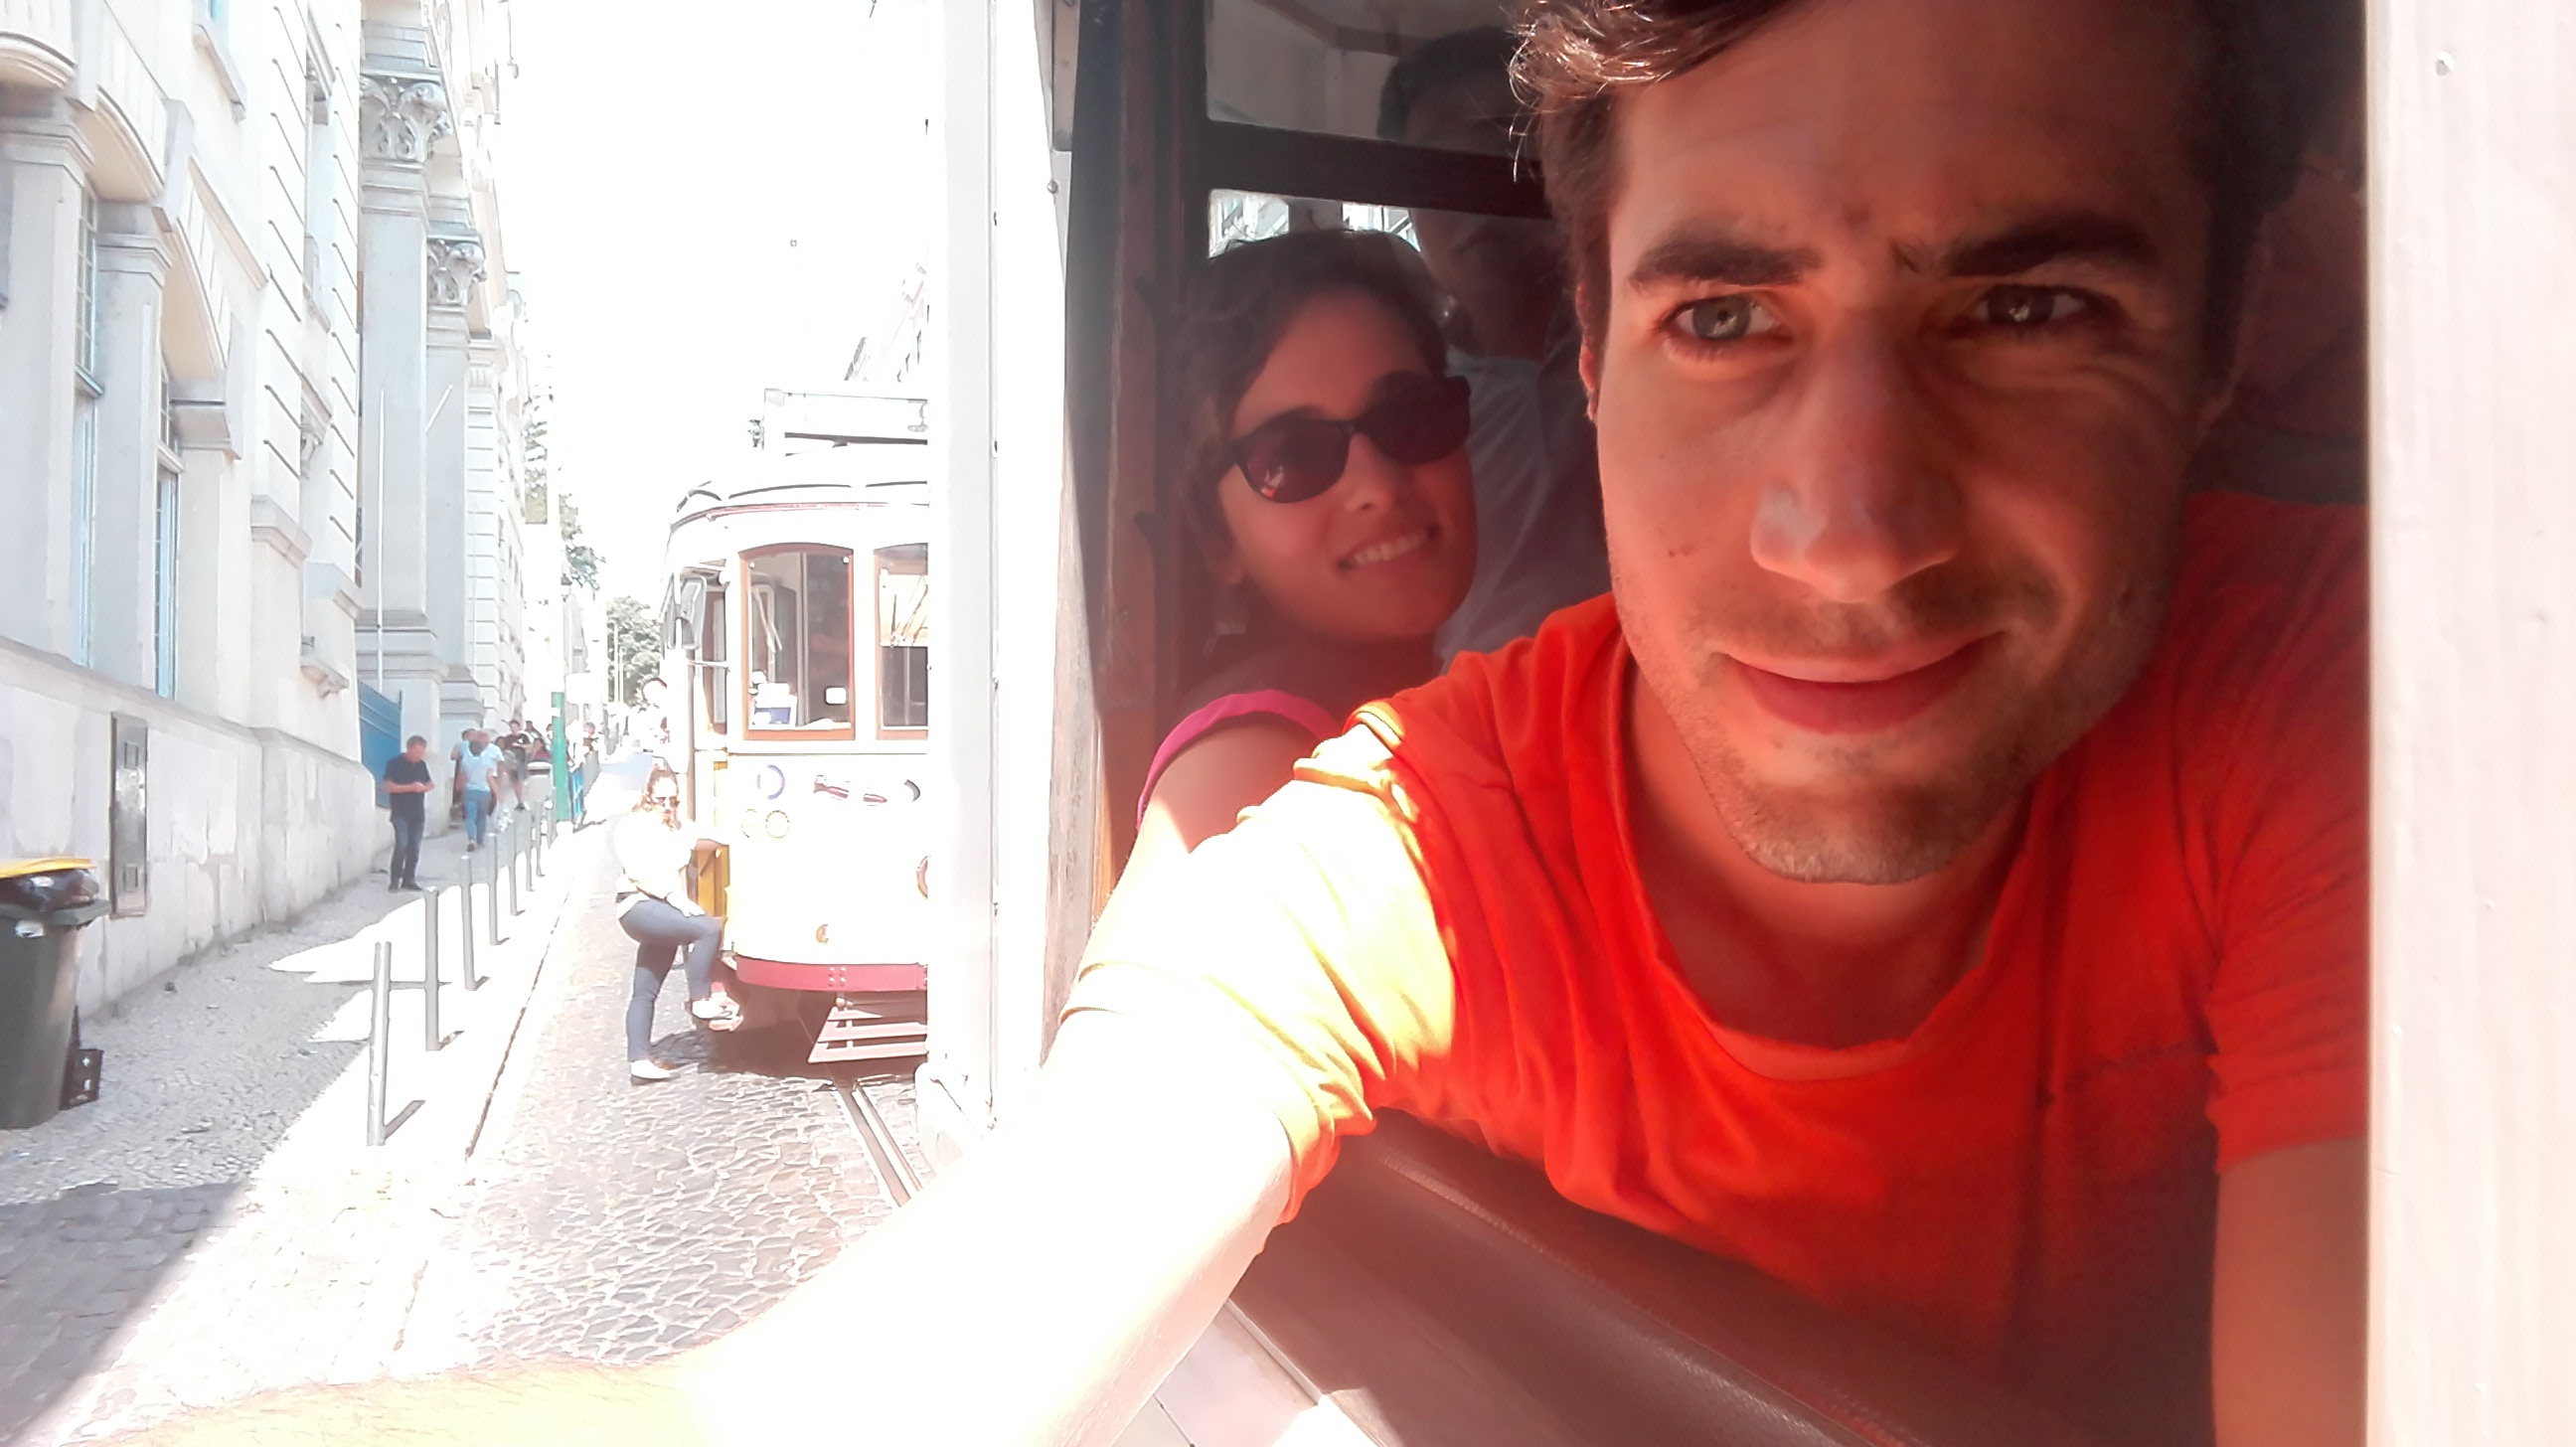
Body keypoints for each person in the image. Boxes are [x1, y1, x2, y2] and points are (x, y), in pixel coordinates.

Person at [132, 0, 2363, 1442]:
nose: (1850, 532)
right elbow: (835, 1403)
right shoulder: (1376, 836)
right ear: (1587, 353)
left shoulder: (2339, 696)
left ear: (2234, 333)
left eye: (2030, 306)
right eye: (1725, 318)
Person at [1129, 230, 1477, 873]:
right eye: (1293, 456)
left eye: (1411, 417)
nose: (1377, 487)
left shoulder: (1427, 704)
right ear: (1216, 539)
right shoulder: (1260, 760)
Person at [1378, 27, 1610, 660]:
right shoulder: (1406, 403)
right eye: (1437, 170)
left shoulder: (1648, 347)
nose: (1473, 197)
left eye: (1507, 150)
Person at [612, 767, 740, 1082]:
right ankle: (700, 1000)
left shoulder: (678, 827)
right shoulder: (632, 826)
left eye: (674, 800)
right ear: (648, 795)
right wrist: (673, 896)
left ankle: (639, 1060)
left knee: (645, 989)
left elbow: (711, 837)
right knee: (708, 928)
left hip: (663, 912)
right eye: (661, 800)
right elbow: (637, 870)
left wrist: (744, 834)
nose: (668, 806)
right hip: (639, 906)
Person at [380, 735, 433, 892]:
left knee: (414, 847)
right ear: (409, 748)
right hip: (400, 812)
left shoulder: (422, 765)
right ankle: (395, 879)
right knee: (402, 844)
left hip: (418, 812)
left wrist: (426, 787)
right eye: (417, 752)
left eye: (422, 753)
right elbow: (388, 786)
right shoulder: (394, 764)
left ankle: (409, 879)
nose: (419, 756)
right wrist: (411, 787)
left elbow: (429, 782)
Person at [451, 728, 502, 850]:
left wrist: (459, 790)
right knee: (482, 816)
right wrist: (498, 793)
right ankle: (480, 840)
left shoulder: (465, 762)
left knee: (470, 816)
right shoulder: (487, 762)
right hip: (485, 792)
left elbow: (462, 778)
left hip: (469, 791)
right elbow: (490, 778)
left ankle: (471, 839)